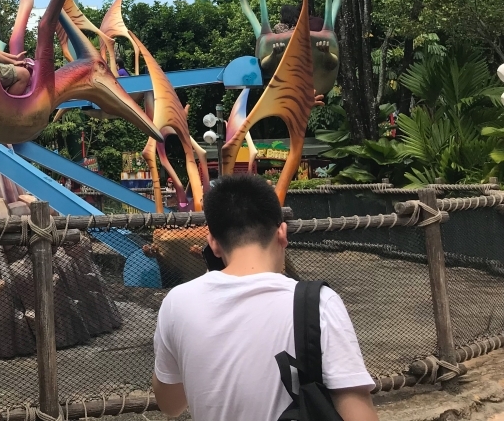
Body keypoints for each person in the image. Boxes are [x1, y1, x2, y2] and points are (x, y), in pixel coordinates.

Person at [152, 174, 378, 421]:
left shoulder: (178, 303)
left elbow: (170, 404)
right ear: (282, 233)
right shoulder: (319, 303)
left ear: (213, 244)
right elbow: (359, 414)